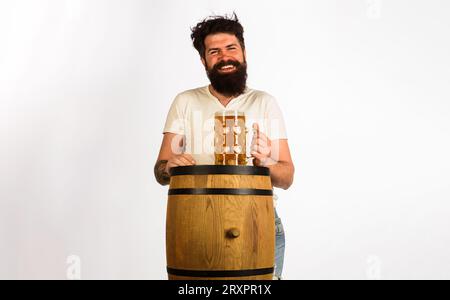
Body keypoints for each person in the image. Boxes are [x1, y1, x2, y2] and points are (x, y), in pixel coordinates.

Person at [154, 13, 294, 279]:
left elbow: (287, 178)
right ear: (203, 60)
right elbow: (160, 172)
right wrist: (169, 165)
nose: (224, 57)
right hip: (195, 220)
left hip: (256, 222)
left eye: (231, 48)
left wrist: (267, 163)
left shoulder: (265, 103)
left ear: (243, 52)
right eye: (214, 51)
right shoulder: (185, 102)